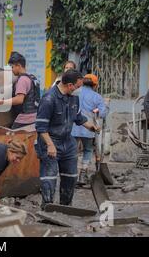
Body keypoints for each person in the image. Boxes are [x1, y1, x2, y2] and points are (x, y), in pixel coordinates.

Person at [36, 70, 100, 209]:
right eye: (78, 86)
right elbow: (41, 127)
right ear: (70, 85)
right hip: (50, 141)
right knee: (50, 177)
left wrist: (91, 126)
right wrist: (50, 145)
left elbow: (78, 118)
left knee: (70, 177)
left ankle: (66, 206)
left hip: (67, 142)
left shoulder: (73, 98)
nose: (79, 90)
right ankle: (48, 207)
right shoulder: (48, 99)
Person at [71, 74, 108, 184]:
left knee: (73, 151)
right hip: (89, 127)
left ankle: (72, 174)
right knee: (88, 149)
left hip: (72, 127)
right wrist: (105, 107)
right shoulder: (97, 97)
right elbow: (102, 113)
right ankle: (83, 173)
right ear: (95, 85)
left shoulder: (74, 92)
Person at [0, 52, 41, 130]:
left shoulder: (22, 80)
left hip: (25, 119)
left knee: (10, 138)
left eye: (12, 67)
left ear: (18, 65)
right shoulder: (32, 78)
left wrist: (1, 102)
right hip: (35, 116)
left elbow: (19, 99)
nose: (11, 69)